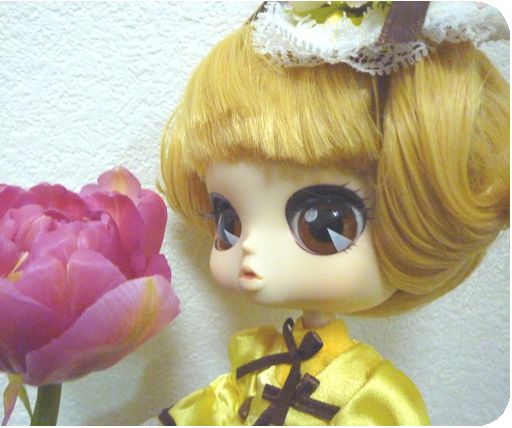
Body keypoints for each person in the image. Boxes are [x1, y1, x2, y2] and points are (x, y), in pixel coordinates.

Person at [157, 2, 509, 425]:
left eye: (323, 225)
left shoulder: (374, 394)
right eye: (228, 220)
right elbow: (221, 402)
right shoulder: (261, 354)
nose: (250, 249)